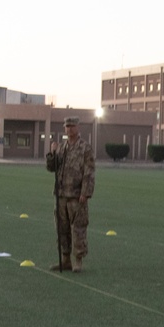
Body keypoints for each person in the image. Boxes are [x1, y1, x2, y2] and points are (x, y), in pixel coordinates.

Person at [45, 117, 95, 272]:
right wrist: (52, 153)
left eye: (72, 126)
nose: (70, 129)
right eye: (67, 127)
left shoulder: (85, 148)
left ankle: (78, 260)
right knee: (62, 228)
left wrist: (85, 193)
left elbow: (89, 172)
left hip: (76, 194)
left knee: (78, 228)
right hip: (61, 194)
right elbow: (51, 168)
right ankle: (65, 259)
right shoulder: (61, 148)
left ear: (78, 127)